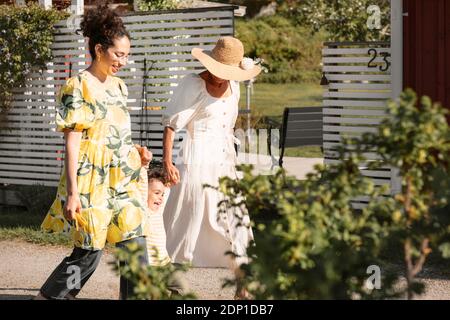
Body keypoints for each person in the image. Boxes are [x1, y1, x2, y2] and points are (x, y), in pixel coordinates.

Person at [35, 4, 152, 300]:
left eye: (127, 55)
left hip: (123, 177)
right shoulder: (77, 86)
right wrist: (73, 192)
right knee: (89, 251)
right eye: (119, 55)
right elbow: (72, 141)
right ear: (99, 49)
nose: (124, 61)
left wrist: (137, 152)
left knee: (134, 245)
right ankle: (52, 296)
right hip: (91, 180)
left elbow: (113, 131)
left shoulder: (121, 87)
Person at [161, 36, 261, 299]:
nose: (221, 78)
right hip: (195, 159)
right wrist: (168, 162)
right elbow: (171, 125)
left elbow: (228, 126)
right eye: (219, 71)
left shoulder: (234, 87)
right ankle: (174, 283)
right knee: (187, 219)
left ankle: (243, 285)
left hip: (224, 160)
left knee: (235, 220)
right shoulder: (192, 84)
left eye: (227, 73)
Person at [137, 166, 189, 295]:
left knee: (183, 289)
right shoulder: (142, 209)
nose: (160, 198)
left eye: (162, 194)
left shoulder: (159, 210)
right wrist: (144, 166)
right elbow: (143, 184)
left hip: (165, 264)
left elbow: (167, 187)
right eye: (156, 193)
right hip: (148, 267)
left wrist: (170, 179)